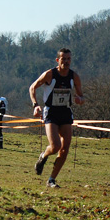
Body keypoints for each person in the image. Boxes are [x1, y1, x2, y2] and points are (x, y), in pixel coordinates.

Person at [29, 48, 84, 188]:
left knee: (65, 149)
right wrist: (35, 105)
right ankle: (43, 156)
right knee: (55, 146)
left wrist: (80, 100)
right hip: (51, 112)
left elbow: (81, 96)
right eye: (63, 59)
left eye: (68, 59)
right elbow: (32, 87)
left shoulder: (74, 77)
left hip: (65, 112)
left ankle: (51, 179)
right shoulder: (49, 74)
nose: (66, 62)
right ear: (57, 60)